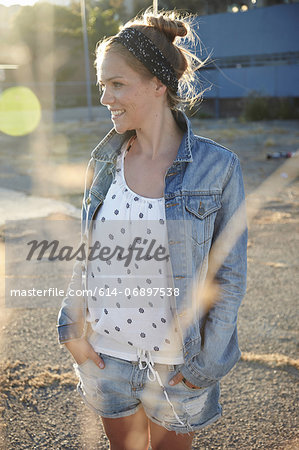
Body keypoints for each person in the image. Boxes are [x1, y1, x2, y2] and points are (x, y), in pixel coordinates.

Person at [57, 8, 247, 450]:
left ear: (158, 84)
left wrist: (204, 367)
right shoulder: (105, 161)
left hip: (177, 367)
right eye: (103, 85)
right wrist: (73, 331)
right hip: (107, 360)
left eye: (117, 84)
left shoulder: (217, 168)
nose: (105, 98)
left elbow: (230, 277)